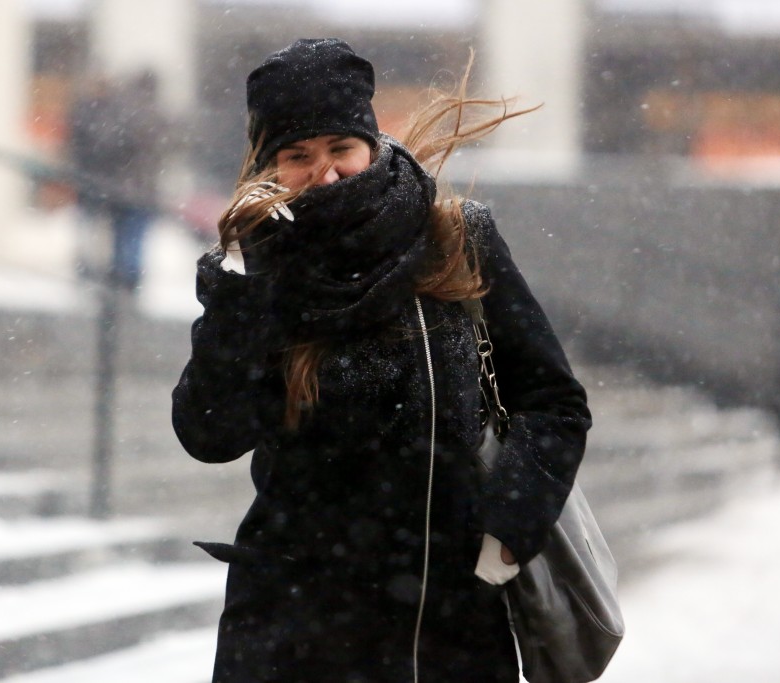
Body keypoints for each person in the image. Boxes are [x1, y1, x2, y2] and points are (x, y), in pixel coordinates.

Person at [171, 38, 591, 682]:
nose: (325, 173)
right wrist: (236, 302)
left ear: (371, 143)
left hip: (442, 623)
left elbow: (553, 400)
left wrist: (507, 530)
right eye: (297, 156)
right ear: (268, 165)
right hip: (293, 633)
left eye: (340, 149)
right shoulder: (259, 271)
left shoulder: (454, 239)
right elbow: (209, 433)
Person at [68, 70, 165, 290]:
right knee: (130, 237)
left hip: (119, 188)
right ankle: (126, 277)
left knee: (115, 234)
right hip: (138, 190)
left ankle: (113, 275)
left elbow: (107, 146)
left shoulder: (120, 113)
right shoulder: (154, 114)